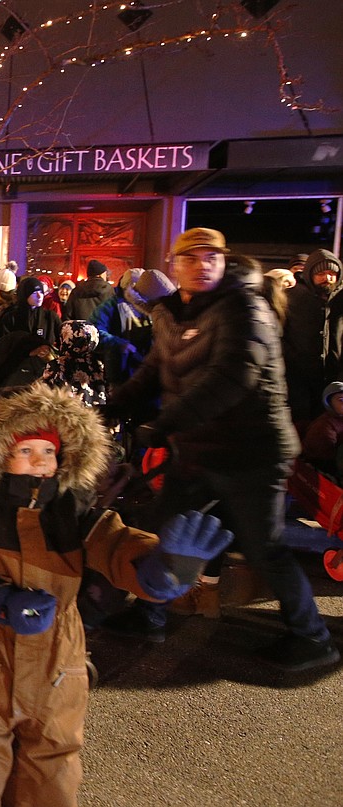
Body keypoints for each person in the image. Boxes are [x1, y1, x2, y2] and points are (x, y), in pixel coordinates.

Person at [0, 383, 231, 807]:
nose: (41, 463)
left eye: (49, 452)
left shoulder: (73, 510)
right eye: (26, 450)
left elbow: (115, 543)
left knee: (50, 773)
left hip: (56, 666)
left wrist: (161, 568)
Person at [102, 228, 339, 671]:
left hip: (252, 452)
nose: (202, 264)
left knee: (262, 545)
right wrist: (110, 410)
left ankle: (312, 637)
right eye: (190, 258)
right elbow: (154, 372)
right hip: (199, 449)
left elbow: (232, 379)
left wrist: (164, 425)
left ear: (223, 260)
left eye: (211, 256)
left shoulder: (246, 307)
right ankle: (151, 609)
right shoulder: (173, 314)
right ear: (175, 266)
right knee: (159, 528)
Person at [282, 249, 342, 426]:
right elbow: (279, 334)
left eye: (332, 273)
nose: (328, 278)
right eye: (322, 273)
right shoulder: (292, 297)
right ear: (310, 274)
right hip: (297, 380)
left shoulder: (341, 299)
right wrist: (293, 358)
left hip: (332, 380)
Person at [0, 274, 61, 343]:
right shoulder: (11, 317)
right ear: (25, 294)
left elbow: (62, 339)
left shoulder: (50, 317)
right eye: (34, 293)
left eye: (41, 292)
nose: (39, 296)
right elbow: (4, 343)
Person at [301, 381, 343, 479]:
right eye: (341, 399)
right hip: (321, 466)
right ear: (329, 402)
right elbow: (323, 458)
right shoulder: (324, 426)